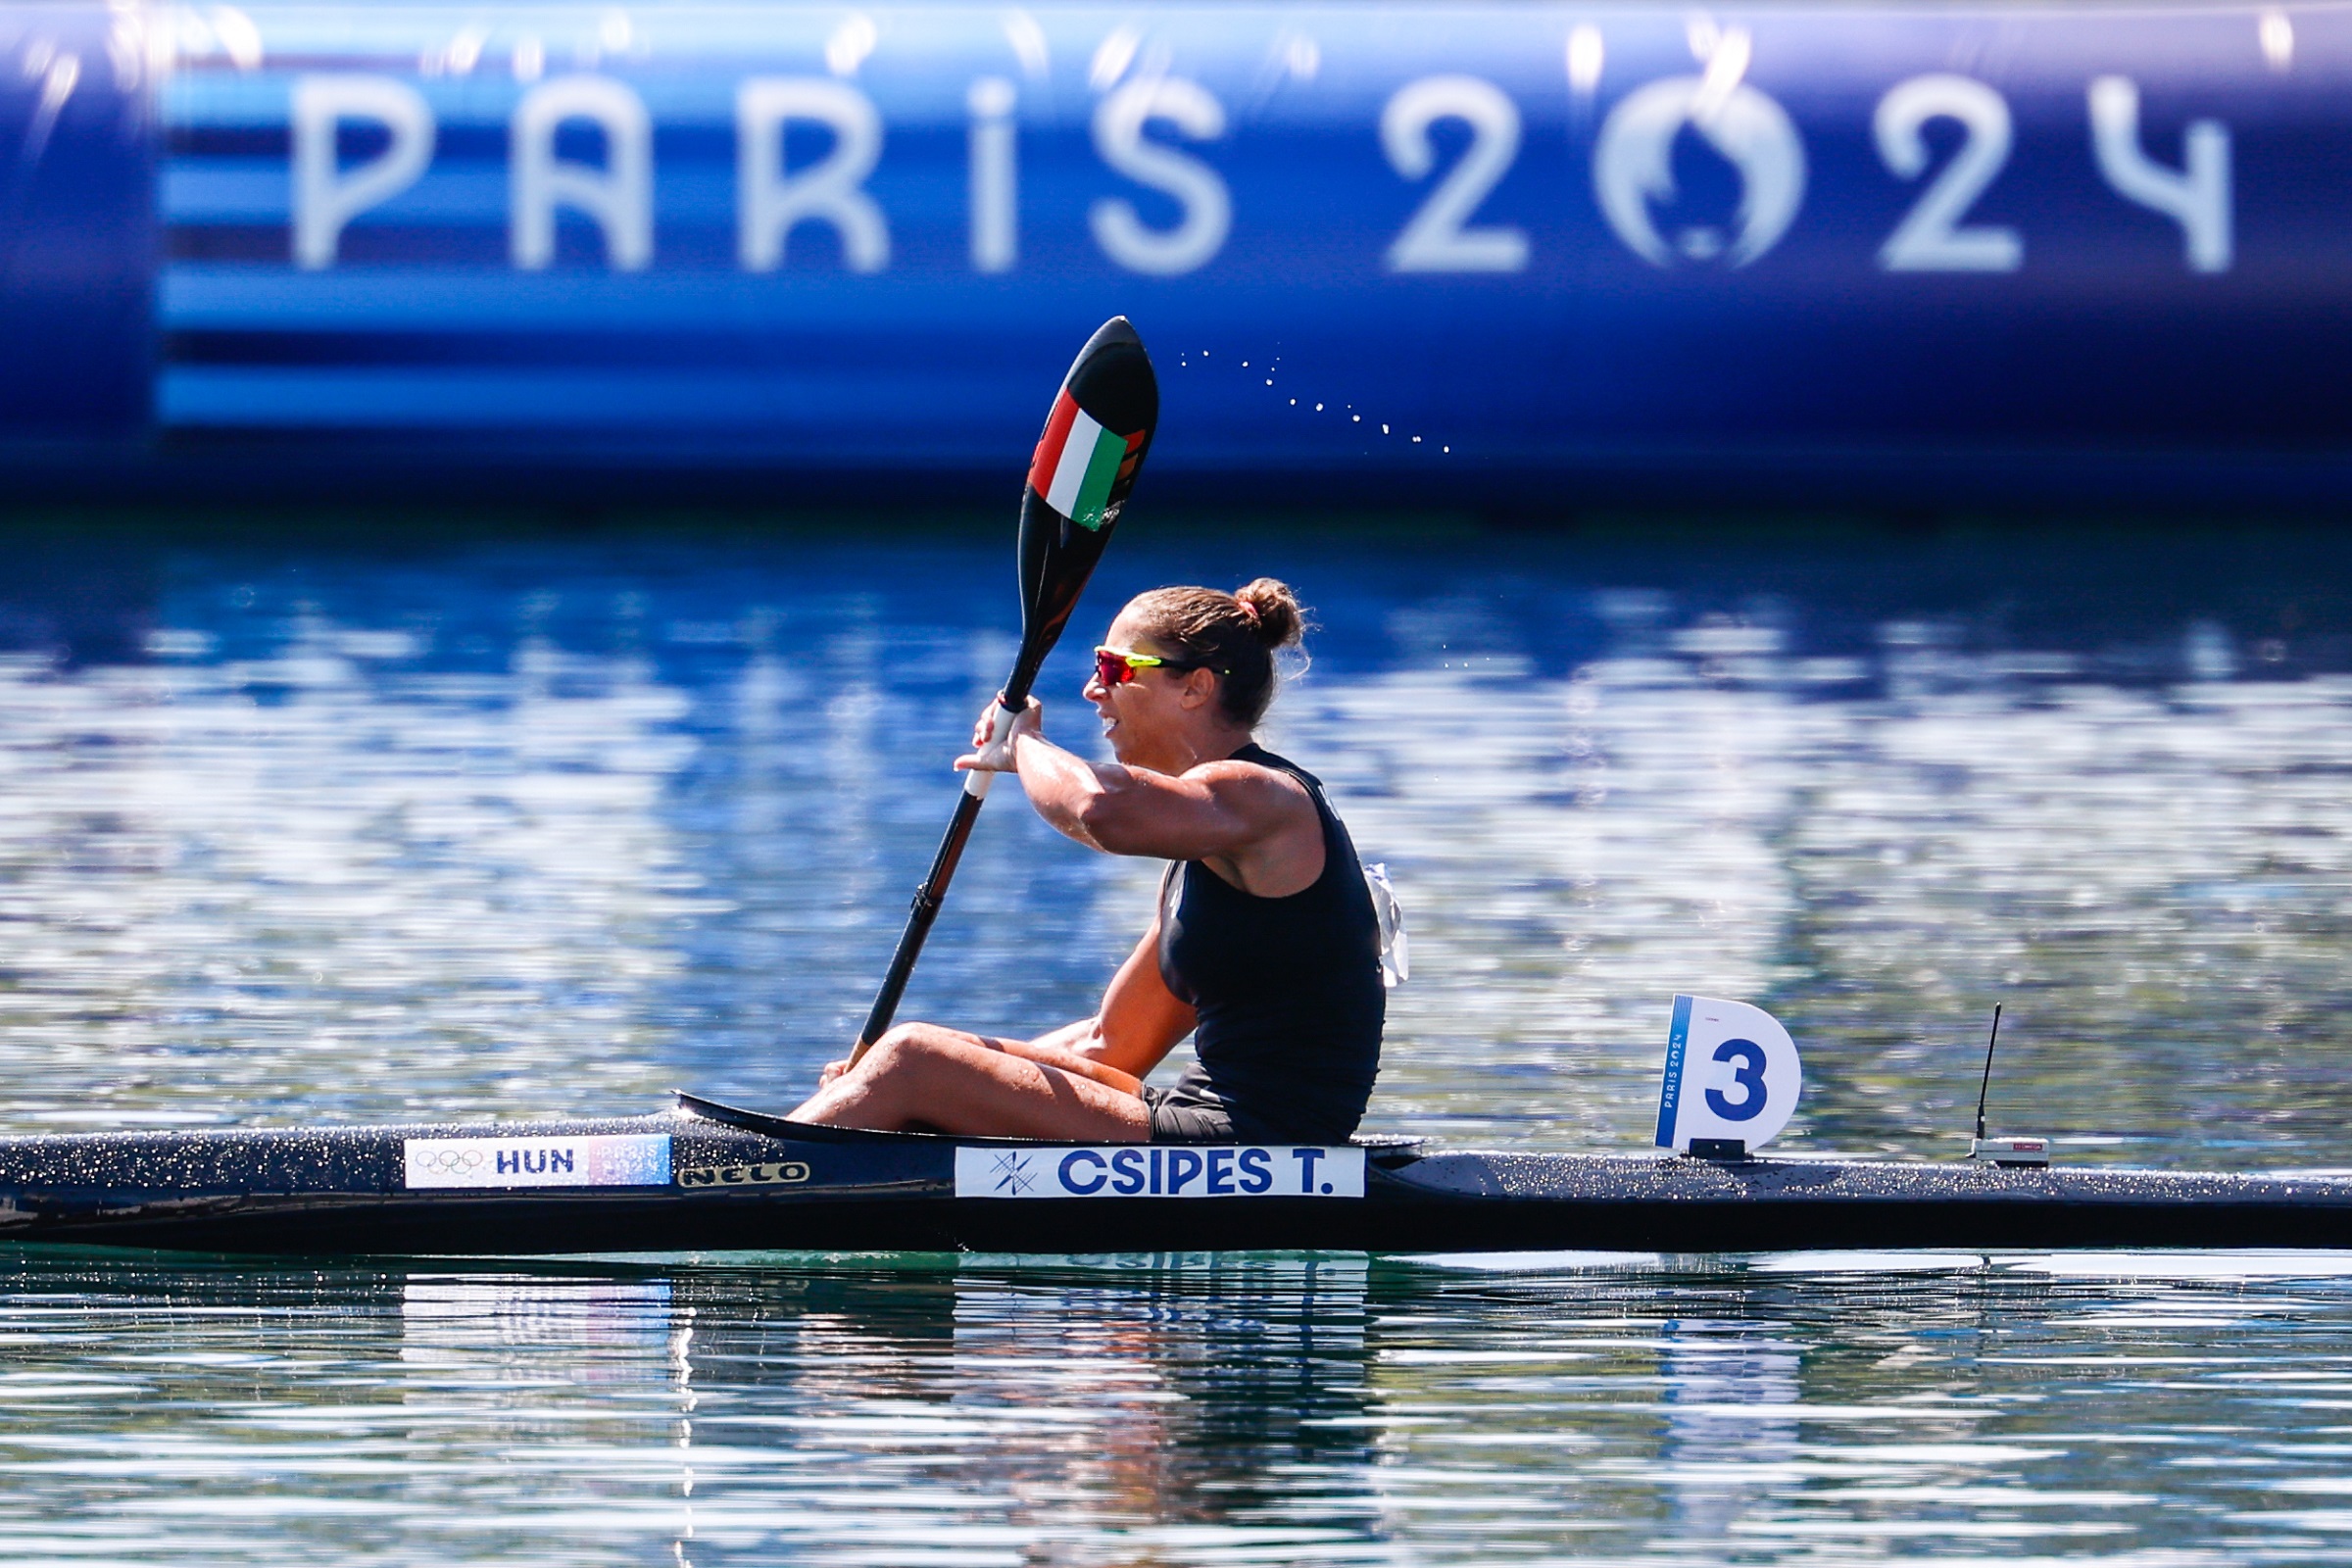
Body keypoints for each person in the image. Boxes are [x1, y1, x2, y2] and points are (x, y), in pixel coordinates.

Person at [788, 577, 1385, 1144]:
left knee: (913, 1058)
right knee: (913, 1054)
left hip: (1257, 1141)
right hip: (1198, 1120)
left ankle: (731, 1178)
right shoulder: (1206, 854)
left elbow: (1099, 809)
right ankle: (783, 1158)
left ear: (1195, 687)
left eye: (1114, 667)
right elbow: (1111, 1045)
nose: (1092, 688)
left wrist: (1021, 742)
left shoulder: (1263, 795)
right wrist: (952, 1087)